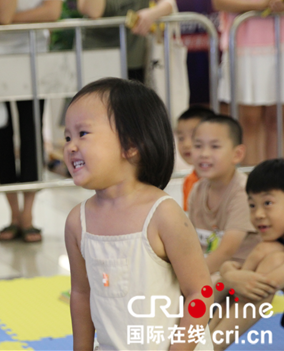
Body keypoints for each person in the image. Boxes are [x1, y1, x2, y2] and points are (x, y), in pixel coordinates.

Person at [64, 77, 213, 350]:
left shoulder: (163, 215)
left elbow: (200, 293)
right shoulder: (78, 221)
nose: (71, 146)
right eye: (67, 136)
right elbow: (81, 294)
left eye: (82, 134)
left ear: (130, 145)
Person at [0, 0, 64, 243]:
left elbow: (53, 11)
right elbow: (4, 15)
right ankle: (13, 214)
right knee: (2, 135)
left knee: (32, 133)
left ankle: (28, 215)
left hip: (34, 57)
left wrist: (6, 19)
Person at [209, 158, 284, 351]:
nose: (258, 213)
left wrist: (229, 277)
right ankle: (204, 344)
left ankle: (208, 347)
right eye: (252, 205)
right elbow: (240, 282)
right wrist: (230, 275)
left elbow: (261, 283)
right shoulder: (272, 245)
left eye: (267, 203)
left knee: (263, 269)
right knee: (265, 253)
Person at [210, 0, 284, 166]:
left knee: (281, 118)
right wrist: (259, 5)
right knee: (249, 119)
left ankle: (279, 184)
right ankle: (252, 183)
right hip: (245, 45)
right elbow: (220, 0)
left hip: (283, 42)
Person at [188, 115, 260, 282]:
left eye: (215, 146)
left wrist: (190, 279)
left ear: (237, 154)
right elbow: (190, 243)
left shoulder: (244, 191)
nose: (204, 154)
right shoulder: (197, 190)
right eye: (198, 146)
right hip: (209, 271)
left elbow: (227, 250)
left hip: (239, 274)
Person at [76, 0, 176, 82]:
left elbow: (169, 0)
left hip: (133, 54)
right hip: (95, 54)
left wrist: (153, 13)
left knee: (131, 97)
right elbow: (94, 11)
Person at [175, 106, 216, 211]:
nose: (186, 144)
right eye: (181, 138)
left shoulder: (219, 181)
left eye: (194, 136)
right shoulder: (189, 180)